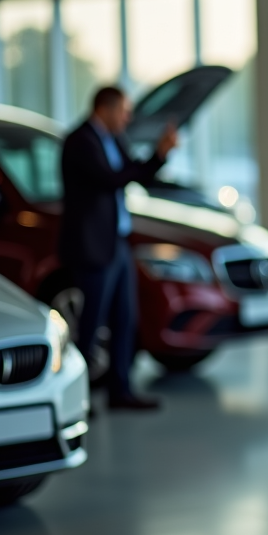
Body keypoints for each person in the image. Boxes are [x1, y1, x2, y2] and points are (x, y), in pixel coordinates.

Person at [60, 86, 177, 410]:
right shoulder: (80, 141)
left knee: (126, 318)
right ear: (105, 108)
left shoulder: (114, 139)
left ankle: (120, 390)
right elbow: (112, 179)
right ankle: (78, 398)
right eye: (124, 111)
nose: (127, 118)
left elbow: (135, 174)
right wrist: (156, 155)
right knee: (91, 323)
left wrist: (160, 156)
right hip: (94, 247)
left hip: (119, 243)